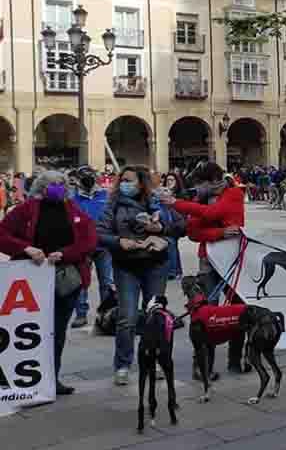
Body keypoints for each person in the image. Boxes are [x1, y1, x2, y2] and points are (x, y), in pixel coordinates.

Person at [0, 171, 97, 395]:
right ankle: (23, 377)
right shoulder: (25, 210)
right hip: (30, 279)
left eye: (62, 184)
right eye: (53, 184)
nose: (58, 188)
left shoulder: (73, 209)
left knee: (57, 331)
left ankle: (51, 378)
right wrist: (26, 248)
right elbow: (2, 234)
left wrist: (65, 253)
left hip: (65, 278)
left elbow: (89, 240)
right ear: (41, 188)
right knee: (29, 329)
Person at [98, 166, 185, 386]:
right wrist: (119, 241)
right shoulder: (113, 203)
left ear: (141, 182)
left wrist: (160, 229)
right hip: (126, 266)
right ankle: (123, 365)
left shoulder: (158, 200)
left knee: (153, 316)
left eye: (129, 180)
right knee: (126, 318)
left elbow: (181, 225)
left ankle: (153, 361)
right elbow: (100, 233)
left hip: (156, 265)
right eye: (122, 180)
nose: (124, 184)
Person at [162, 161, 246, 379]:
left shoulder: (233, 193)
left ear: (214, 180)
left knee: (238, 309)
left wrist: (176, 203)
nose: (197, 188)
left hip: (232, 260)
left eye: (201, 183)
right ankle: (202, 366)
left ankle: (235, 360)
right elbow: (193, 231)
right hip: (208, 261)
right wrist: (217, 234)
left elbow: (211, 213)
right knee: (206, 313)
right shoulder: (200, 198)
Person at [70, 167, 114, 328]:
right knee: (81, 282)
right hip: (82, 248)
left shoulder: (106, 196)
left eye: (91, 176)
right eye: (84, 177)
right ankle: (81, 314)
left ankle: (106, 313)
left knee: (106, 282)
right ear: (78, 179)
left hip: (103, 246)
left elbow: (112, 218)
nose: (88, 179)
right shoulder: (72, 199)